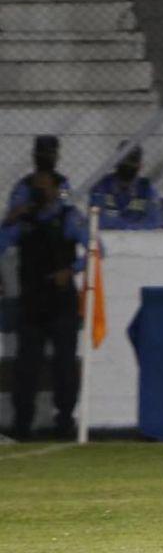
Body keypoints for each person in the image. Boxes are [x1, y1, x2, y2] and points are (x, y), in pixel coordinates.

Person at [0, 171, 92, 440]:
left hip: (61, 302)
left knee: (64, 366)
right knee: (26, 367)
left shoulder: (68, 217)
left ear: (55, 189)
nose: (39, 191)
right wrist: (8, 220)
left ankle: (64, 423)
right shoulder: (24, 220)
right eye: (35, 187)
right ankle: (22, 425)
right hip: (31, 302)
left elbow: (96, 249)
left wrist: (71, 270)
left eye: (44, 186)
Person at [89, 141, 159, 230]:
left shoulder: (147, 188)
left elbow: (152, 223)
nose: (128, 165)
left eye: (133, 161)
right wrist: (130, 226)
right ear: (115, 162)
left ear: (141, 166)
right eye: (124, 160)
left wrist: (120, 226)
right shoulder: (101, 186)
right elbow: (96, 221)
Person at [4, 135, 71, 225]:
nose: (45, 157)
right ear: (35, 155)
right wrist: (32, 207)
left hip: (56, 229)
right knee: (9, 229)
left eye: (49, 153)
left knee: (73, 219)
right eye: (42, 153)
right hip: (30, 228)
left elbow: (67, 200)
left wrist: (55, 195)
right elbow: (13, 213)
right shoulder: (25, 184)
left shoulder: (61, 182)